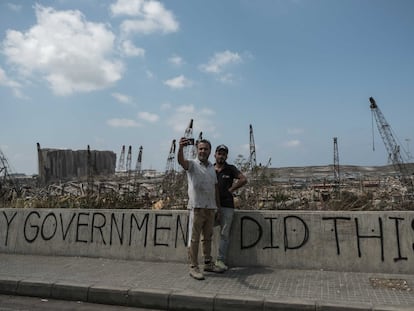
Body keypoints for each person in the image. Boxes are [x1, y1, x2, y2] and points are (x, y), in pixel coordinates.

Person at [178, 137, 223, 280]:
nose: (203, 151)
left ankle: (208, 263)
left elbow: (215, 188)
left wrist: (218, 207)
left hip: (210, 208)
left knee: (208, 238)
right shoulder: (192, 165)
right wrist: (180, 148)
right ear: (197, 150)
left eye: (206, 149)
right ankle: (193, 266)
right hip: (196, 207)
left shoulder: (212, 168)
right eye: (201, 148)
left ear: (210, 151)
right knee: (194, 239)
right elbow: (181, 162)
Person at [214, 144, 247, 271]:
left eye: (223, 154)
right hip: (211, 206)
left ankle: (220, 260)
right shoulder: (210, 169)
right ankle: (207, 259)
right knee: (206, 231)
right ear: (215, 154)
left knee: (224, 234)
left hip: (227, 205)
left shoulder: (230, 169)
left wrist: (231, 189)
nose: (221, 156)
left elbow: (243, 179)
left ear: (226, 156)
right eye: (219, 153)